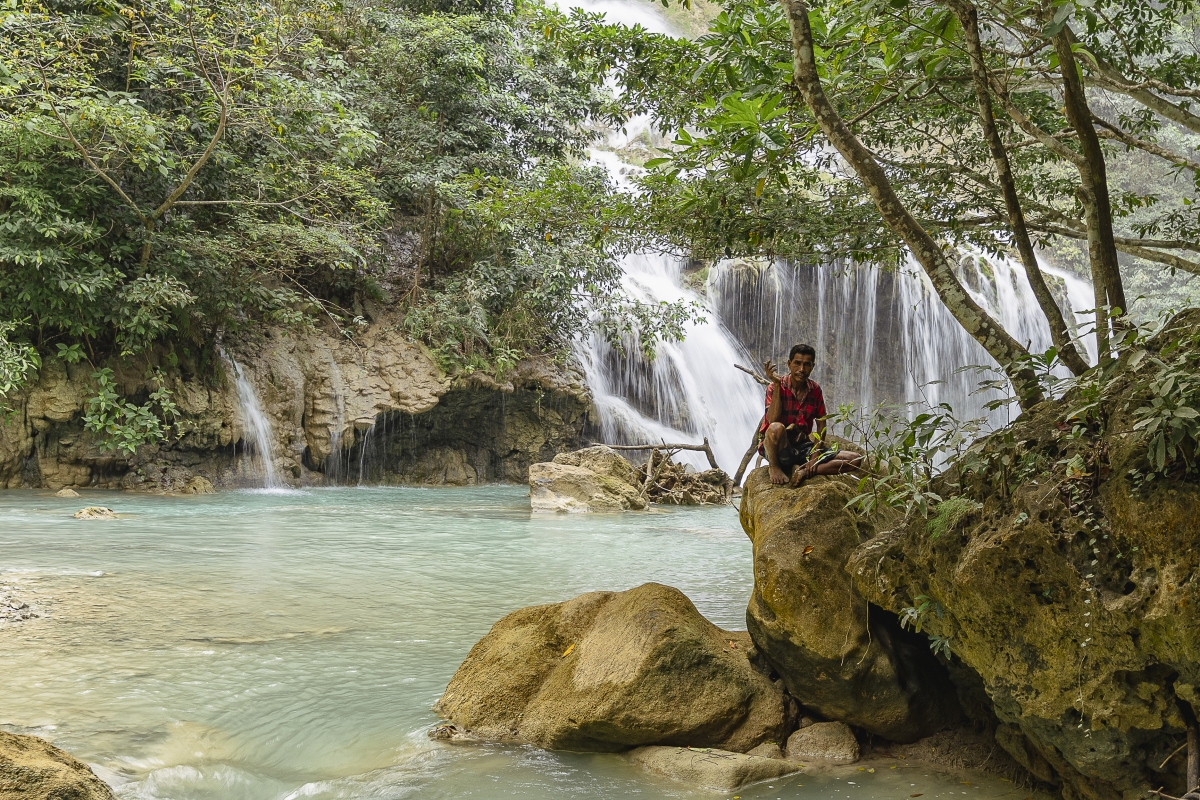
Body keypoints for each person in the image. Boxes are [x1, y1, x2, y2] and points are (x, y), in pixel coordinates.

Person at [759, 344, 863, 486]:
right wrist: (777, 385)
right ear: (789, 364)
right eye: (797, 363)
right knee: (776, 427)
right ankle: (774, 467)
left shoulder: (815, 390)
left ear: (812, 366)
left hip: (802, 448)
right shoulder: (775, 386)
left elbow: (821, 424)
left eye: (807, 365)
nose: (802, 369)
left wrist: (815, 455)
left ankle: (803, 471)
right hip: (778, 449)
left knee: (855, 459)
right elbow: (772, 421)